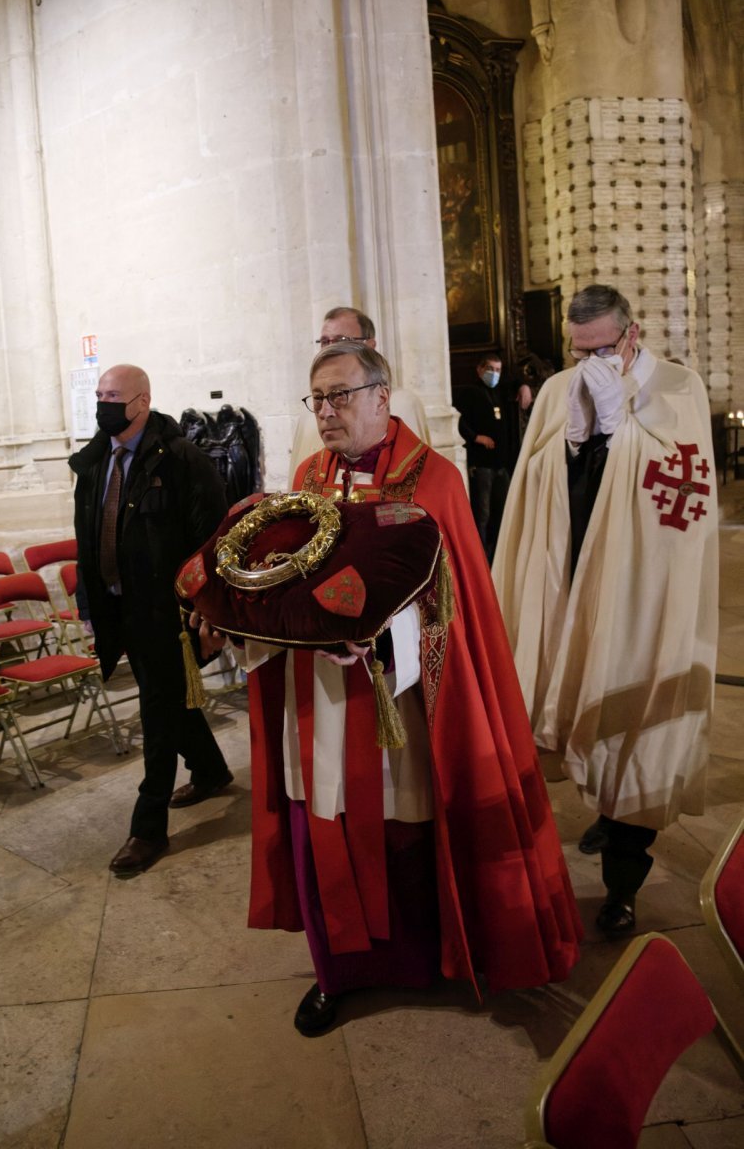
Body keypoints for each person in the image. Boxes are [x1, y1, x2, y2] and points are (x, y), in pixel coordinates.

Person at [199, 342, 581, 1035]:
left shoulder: (433, 481)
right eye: (317, 399)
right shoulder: (307, 476)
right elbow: (283, 578)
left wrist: (384, 642)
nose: (326, 412)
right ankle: (336, 972)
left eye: (341, 396)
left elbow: (453, 604)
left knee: (406, 822)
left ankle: (427, 958)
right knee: (323, 818)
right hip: (317, 695)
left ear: (382, 397)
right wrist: (242, 615)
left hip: (400, 701)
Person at [493, 285, 718, 936]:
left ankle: (623, 886)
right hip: (569, 589)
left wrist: (623, 435)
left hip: (641, 593)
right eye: (579, 349)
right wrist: (572, 446)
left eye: (605, 347)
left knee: (636, 729)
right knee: (581, 717)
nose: (593, 361)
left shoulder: (680, 387)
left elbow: (689, 495)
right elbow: (530, 493)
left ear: (633, 332)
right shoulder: (563, 390)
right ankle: (603, 800)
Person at [70, 364, 234, 874]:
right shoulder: (96, 460)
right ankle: (210, 770)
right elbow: (88, 533)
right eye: (99, 394)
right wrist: (89, 603)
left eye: (112, 395)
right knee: (163, 697)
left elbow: (213, 543)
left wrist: (207, 613)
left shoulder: (184, 460)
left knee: (157, 712)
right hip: (118, 606)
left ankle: (148, 828)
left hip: (167, 611)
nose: (103, 403)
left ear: (141, 401)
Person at [289, 306, 430, 478]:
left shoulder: (404, 404)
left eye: (342, 340)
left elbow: (422, 475)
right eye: (325, 342)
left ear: (370, 345)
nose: (330, 349)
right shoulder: (308, 413)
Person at [454, 353, 511, 561]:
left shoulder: (499, 393)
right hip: (482, 464)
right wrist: (476, 437)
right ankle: (481, 559)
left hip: (500, 464)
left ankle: (497, 557)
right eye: (490, 369)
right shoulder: (469, 393)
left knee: (502, 512)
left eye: (498, 370)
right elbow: (459, 422)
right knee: (482, 515)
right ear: (479, 370)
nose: (494, 374)